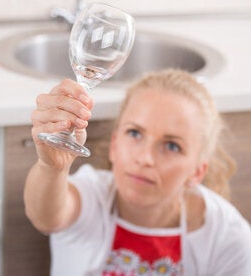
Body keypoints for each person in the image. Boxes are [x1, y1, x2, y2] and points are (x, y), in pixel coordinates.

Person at [24, 69, 251, 275]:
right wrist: (52, 167)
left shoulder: (228, 239)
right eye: (134, 133)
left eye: (172, 146)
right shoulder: (92, 196)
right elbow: (47, 217)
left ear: (197, 171)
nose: (145, 158)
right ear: (114, 144)